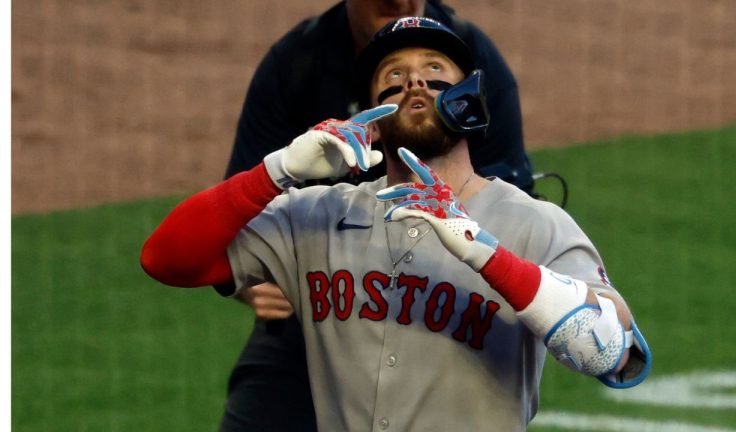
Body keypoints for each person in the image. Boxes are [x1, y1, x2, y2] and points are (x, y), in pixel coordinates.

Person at [141, 17, 651, 431]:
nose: (414, 81)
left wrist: (487, 256)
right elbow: (166, 260)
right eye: (393, 75)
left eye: (435, 69)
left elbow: (614, 353)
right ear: (372, 114)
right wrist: (279, 172)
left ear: (470, 101)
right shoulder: (316, 215)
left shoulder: (536, 224)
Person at [219, 1, 534, 430]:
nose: (399, 3)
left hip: (446, 303)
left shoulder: (471, 54)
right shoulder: (298, 62)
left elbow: (513, 201)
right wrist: (251, 283)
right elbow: (236, 211)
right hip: (321, 300)